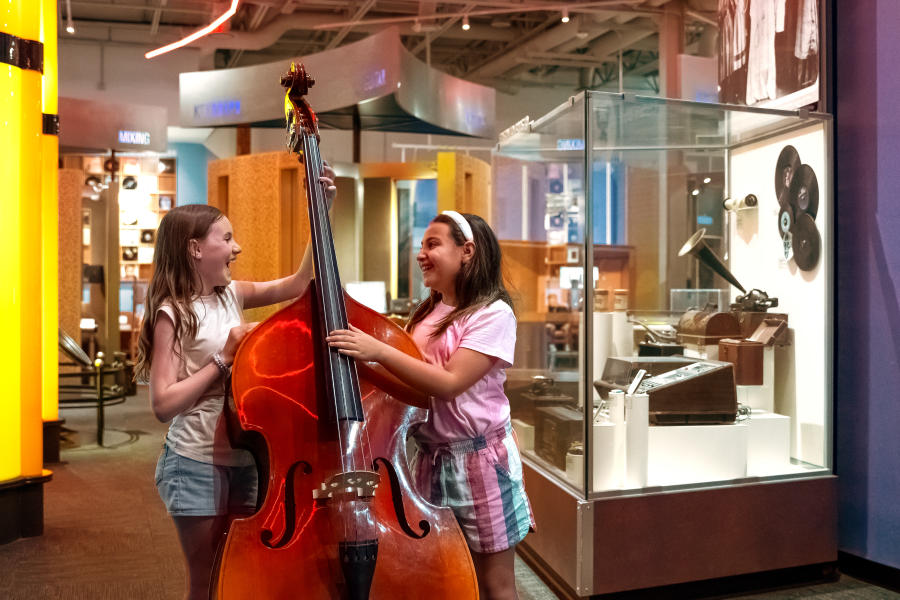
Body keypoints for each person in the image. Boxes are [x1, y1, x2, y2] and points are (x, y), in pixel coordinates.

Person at [134, 167, 335, 600]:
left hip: (245, 456)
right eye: (225, 239)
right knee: (206, 581)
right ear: (194, 249)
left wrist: (323, 210)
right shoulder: (173, 312)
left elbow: (300, 283)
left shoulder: (231, 293)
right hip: (194, 463)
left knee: (240, 573)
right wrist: (223, 360)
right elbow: (163, 404)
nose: (236, 247)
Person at [326, 211, 534, 600]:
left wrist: (379, 352)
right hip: (430, 458)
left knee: (495, 584)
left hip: (480, 462)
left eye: (433, 244)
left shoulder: (493, 313)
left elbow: (450, 383)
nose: (421, 254)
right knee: (445, 574)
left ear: (467, 251)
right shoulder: (428, 312)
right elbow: (414, 389)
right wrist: (359, 362)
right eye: (421, 245)